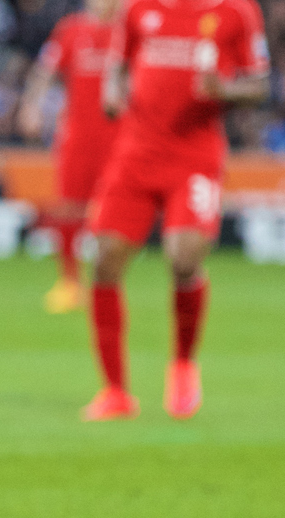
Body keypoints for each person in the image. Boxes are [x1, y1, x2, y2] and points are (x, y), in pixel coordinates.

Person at [82, 0, 269, 420]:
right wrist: (113, 91)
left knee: (184, 259)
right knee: (105, 260)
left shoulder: (236, 11)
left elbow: (259, 84)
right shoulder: (137, 9)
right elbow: (118, 62)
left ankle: (183, 364)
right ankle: (115, 392)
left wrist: (225, 91)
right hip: (136, 152)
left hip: (195, 156)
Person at [17, 0, 122, 314]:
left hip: (121, 137)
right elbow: (45, 70)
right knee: (68, 207)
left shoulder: (128, 29)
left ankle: (106, 281)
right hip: (77, 136)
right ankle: (70, 282)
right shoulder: (71, 29)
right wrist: (31, 106)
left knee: (113, 211)